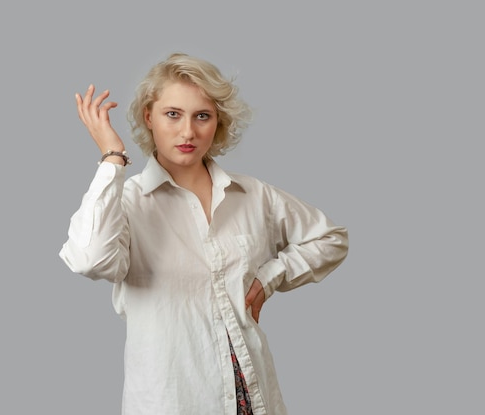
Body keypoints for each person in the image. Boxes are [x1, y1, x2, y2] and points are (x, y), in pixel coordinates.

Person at [59, 52, 349, 415]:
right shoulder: (127, 201)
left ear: (217, 122)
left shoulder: (253, 195)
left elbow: (331, 239)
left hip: (254, 399)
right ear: (149, 117)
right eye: (172, 114)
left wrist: (270, 276)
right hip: (174, 400)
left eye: (202, 116)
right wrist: (112, 156)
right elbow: (90, 259)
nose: (188, 132)